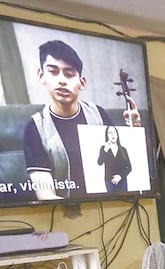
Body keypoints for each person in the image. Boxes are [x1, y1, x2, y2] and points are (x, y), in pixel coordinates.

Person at [22, 40, 115, 200]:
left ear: (82, 82)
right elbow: (45, 195)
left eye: (69, 74)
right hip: (66, 214)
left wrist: (134, 126)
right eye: (53, 72)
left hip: (109, 205)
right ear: (41, 75)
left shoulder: (98, 114)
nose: (62, 80)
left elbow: (120, 164)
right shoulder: (34, 128)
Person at [97, 125, 132, 193]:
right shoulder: (103, 148)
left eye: (114, 132)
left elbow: (129, 168)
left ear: (117, 134)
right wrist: (105, 150)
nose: (113, 135)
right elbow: (99, 162)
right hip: (109, 182)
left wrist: (120, 177)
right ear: (107, 135)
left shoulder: (123, 150)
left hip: (122, 181)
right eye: (110, 133)